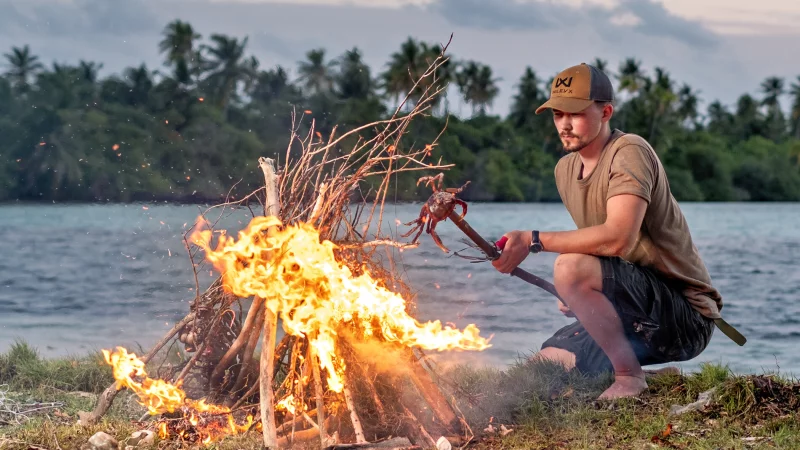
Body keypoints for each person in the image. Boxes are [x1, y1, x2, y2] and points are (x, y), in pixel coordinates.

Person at [491, 62, 736, 400]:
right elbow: (598, 252)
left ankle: (629, 377)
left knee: (569, 266)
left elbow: (618, 237)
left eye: (575, 113)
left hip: (683, 318)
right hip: (634, 312)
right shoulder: (565, 170)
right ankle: (662, 374)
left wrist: (534, 241)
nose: (564, 123)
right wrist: (581, 292)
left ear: (605, 112)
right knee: (545, 363)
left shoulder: (629, 152)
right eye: (557, 114)